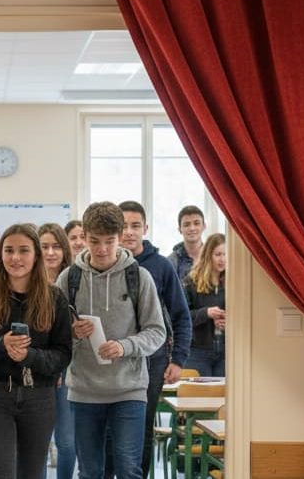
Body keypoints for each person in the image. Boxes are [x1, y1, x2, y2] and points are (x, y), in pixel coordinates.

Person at [57, 202, 166, 479]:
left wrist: (124, 346)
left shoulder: (139, 277)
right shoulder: (69, 278)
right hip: (84, 391)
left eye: (109, 242)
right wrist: (71, 332)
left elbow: (157, 332)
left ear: (120, 237)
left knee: (129, 469)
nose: (102, 249)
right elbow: (53, 333)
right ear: (84, 237)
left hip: (129, 391)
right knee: (90, 471)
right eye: (94, 241)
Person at [0, 224, 73, 479]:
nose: (15, 258)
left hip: (39, 396)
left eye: (24, 250)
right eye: (9, 250)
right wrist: (0, 345)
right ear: (0, 254)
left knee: (32, 474)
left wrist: (30, 357)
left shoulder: (55, 297)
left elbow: (62, 355)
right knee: (0, 473)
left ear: (36, 254)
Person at [118, 201, 192, 478]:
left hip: (153, 361)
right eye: (123, 225)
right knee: (111, 431)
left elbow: (181, 316)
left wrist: (178, 360)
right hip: (113, 360)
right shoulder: (106, 263)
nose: (129, 232)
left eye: (135, 225)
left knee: (141, 428)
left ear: (145, 229)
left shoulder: (161, 266)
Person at [37, 223, 77, 479]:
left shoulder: (73, 282)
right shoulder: (27, 283)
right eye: (44, 247)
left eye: (56, 246)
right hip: (37, 370)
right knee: (37, 442)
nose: (50, 253)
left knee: (66, 440)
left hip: (68, 374)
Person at [183, 233, 226, 377]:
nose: (222, 259)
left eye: (226, 254)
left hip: (227, 352)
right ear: (208, 255)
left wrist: (229, 322)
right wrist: (206, 313)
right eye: (218, 254)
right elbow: (182, 317)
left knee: (225, 398)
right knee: (198, 398)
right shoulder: (191, 282)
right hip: (197, 352)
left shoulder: (235, 282)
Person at [167, 206, 206, 281]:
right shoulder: (171, 261)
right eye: (186, 225)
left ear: (204, 226)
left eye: (196, 223)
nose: (192, 228)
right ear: (180, 229)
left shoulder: (214, 256)